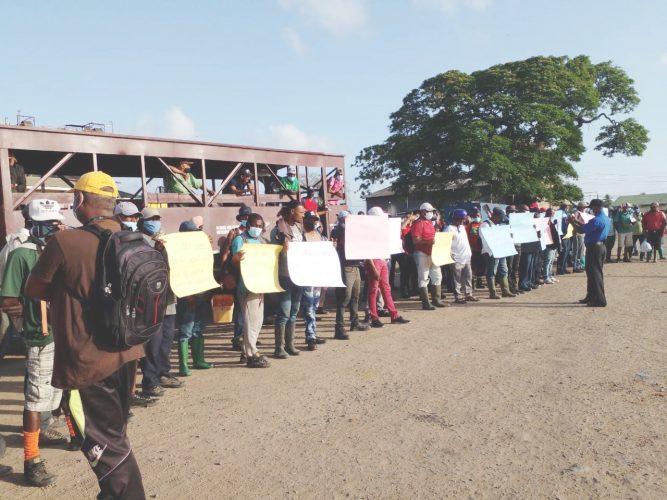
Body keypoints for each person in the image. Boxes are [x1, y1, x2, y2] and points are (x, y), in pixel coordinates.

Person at [25, 171, 146, 498]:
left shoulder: (65, 241)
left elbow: (34, 288)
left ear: (81, 200)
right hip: (128, 353)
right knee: (114, 434)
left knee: (106, 447)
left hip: (87, 363)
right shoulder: (134, 238)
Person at [1, 199, 66, 487]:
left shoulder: (54, 250)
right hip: (41, 337)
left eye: (56, 221)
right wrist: (28, 328)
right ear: (33, 223)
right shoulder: (22, 255)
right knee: (35, 398)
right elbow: (10, 301)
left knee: (54, 394)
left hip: (62, 333)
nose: (54, 226)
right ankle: (31, 461)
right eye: (48, 222)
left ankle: (47, 431)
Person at [136, 208, 183, 397]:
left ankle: (163, 372)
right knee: (152, 342)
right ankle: (150, 380)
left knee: (166, 339)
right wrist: (157, 251)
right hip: (151, 298)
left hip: (169, 296)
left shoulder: (164, 240)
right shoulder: (138, 241)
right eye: (151, 219)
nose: (155, 222)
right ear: (143, 221)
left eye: (157, 218)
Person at [231, 213, 270, 367]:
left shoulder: (260, 241)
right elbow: (234, 261)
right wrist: (237, 258)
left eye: (260, 226)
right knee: (250, 321)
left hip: (260, 284)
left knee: (258, 321)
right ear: (248, 225)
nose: (257, 228)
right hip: (246, 286)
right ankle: (251, 354)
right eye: (255, 225)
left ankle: (246, 351)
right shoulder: (240, 240)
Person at [176, 220, 213, 376]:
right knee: (186, 331)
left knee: (198, 328)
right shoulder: (178, 253)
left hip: (202, 293)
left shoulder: (199, 249)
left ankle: (198, 360)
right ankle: (183, 365)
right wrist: (187, 293)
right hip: (187, 295)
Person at [364, 207, 410, 327]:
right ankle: (374, 317)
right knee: (374, 290)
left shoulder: (380, 229)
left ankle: (393, 315)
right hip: (374, 260)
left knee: (386, 289)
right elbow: (366, 251)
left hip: (382, 259)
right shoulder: (367, 232)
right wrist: (372, 267)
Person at [271, 200, 305, 358]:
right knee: (284, 312)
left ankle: (290, 345)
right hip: (285, 275)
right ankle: (279, 348)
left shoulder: (299, 228)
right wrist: (280, 249)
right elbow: (271, 252)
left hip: (299, 275)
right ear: (292, 211)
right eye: (301, 212)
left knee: (294, 311)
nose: (303, 214)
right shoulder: (277, 230)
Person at [330, 211, 369, 339]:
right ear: (341, 220)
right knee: (344, 298)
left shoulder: (353, 230)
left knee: (355, 296)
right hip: (346, 267)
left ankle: (355, 322)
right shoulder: (337, 231)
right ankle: (339, 328)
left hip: (356, 266)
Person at [220, 205, 253, 351]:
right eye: (244, 217)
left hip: (251, 273)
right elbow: (226, 253)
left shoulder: (253, 234)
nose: (246, 219)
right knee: (240, 309)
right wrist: (224, 272)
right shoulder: (234, 232)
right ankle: (238, 338)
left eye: (248, 217)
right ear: (240, 218)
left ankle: (249, 338)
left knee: (250, 309)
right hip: (237, 273)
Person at [570, 199, 611, 307]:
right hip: (599, 247)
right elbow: (585, 226)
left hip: (595, 248)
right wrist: (575, 221)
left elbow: (581, 230)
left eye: (592, 207)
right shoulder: (604, 218)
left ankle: (599, 300)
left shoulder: (597, 220)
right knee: (591, 273)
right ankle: (591, 296)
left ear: (597, 207)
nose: (591, 210)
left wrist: (571, 222)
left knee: (595, 274)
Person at [301, 211, 329, 349]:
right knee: (308, 306)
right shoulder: (301, 238)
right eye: (310, 219)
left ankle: (312, 332)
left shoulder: (322, 237)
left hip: (318, 275)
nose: (313, 221)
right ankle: (310, 336)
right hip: (307, 276)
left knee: (314, 305)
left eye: (315, 219)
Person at [411, 202, 446, 310]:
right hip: (422, 253)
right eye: (429, 211)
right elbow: (415, 241)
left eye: (432, 211)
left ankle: (436, 300)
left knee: (437, 276)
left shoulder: (429, 222)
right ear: (422, 212)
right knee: (423, 277)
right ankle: (426, 303)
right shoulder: (418, 223)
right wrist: (429, 242)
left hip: (433, 253)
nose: (431, 213)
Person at [480, 208, 515, 299]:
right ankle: (492, 293)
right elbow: (486, 241)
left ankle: (505, 291)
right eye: (500, 218)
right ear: (495, 216)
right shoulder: (485, 225)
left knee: (504, 270)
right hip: (490, 253)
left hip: (500, 251)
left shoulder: (496, 225)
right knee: (492, 272)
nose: (502, 220)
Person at [445, 209, 478, 304]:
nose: (464, 220)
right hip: (456, 257)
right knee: (457, 278)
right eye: (462, 219)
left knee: (468, 276)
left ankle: (468, 294)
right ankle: (458, 296)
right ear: (457, 219)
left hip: (466, 257)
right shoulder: (449, 229)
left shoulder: (462, 227)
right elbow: (445, 244)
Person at [556, 202, 572, 274]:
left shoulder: (566, 213)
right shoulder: (559, 213)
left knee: (567, 251)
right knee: (563, 251)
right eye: (567, 206)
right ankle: (560, 268)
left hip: (567, 234)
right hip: (562, 234)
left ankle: (564, 267)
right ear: (565, 206)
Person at [571, 202, 587, 273]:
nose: (585, 208)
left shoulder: (582, 213)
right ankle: (576, 266)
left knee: (580, 250)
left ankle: (578, 265)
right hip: (578, 233)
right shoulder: (576, 213)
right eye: (584, 207)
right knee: (577, 250)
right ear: (581, 207)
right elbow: (573, 220)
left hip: (582, 233)